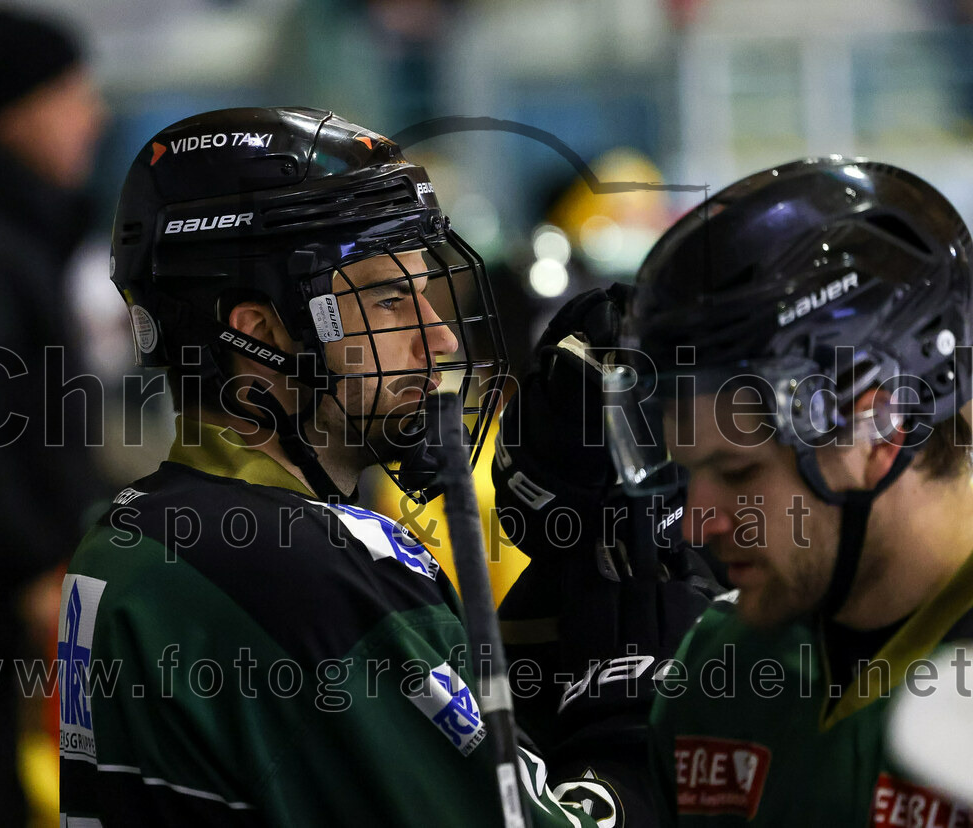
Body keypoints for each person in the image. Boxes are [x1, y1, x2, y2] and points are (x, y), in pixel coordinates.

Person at [58, 105, 643, 825]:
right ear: (263, 332)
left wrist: (558, 592)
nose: (440, 340)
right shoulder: (308, 569)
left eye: (429, 294)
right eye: (392, 301)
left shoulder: (129, 535)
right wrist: (632, 753)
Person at [616, 158, 973, 824]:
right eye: (690, 471)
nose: (696, 524)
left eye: (740, 473)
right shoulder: (721, 666)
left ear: (880, 433)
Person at [0, 7, 107, 825]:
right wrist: (31, 569)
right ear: (16, 108)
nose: (95, 114)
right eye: (73, 92)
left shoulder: (16, 229)